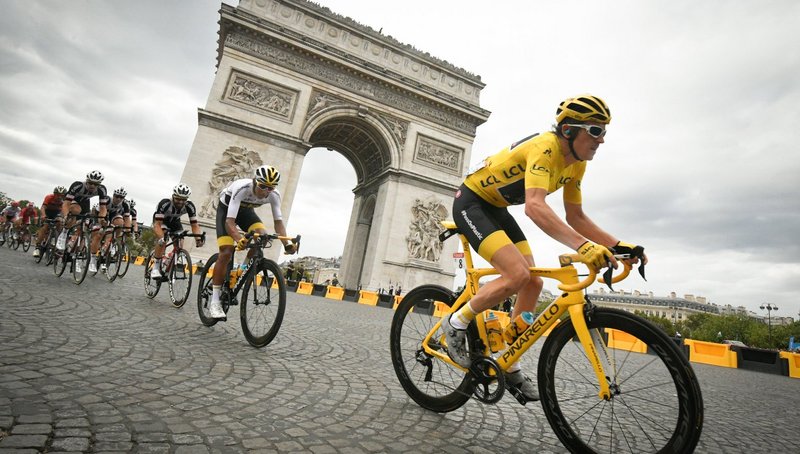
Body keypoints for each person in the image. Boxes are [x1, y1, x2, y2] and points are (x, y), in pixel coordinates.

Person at [443, 94, 647, 401]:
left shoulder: (576, 165)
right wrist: (584, 247)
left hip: (496, 209)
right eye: (594, 130)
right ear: (568, 130)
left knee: (533, 282)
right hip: (472, 203)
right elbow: (535, 207)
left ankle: (508, 362)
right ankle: (455, 323)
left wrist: (618, 246)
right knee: (516, 274)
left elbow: (576, 217)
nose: (601, 139)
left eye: (604, 131)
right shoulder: (546, 147)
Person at [207, 165, 297, 319]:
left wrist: (287, 244)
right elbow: (230, 222)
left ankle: (241, 270)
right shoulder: (242, 188)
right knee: (227, 251)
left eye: (270, 188)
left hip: (247, 212)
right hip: (227, 211)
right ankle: (215, 301)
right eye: (262, 186)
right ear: (255, 181)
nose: (266, 192)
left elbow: (278, 223)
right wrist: (239, 239)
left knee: (262, 237)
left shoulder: (273, 194)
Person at [150, 184, 205, 279]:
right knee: (163, 240)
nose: (180, 202)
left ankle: (169, 260)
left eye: (183, 200)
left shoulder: (190, 205)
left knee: (180, 244)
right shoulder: (165, 203)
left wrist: (198, 238)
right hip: (161, 221)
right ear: (173, 196)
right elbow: (157, 224)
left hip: (175, 222)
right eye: (178, 199)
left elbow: (194, 224)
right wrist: (161, 238)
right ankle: (156, 267)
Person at [61, 170, 109, 273]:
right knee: (76, 211)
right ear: (86, 181)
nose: (92, 185)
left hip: (85, 203)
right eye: (90, 183)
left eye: (95, 184)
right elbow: (66, 204)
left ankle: (76, 253)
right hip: (73, 201)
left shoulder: (102, 189)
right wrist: (65, 216)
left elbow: (103, 208)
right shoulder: (78, 185)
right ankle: (64, 234)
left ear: (99, 184)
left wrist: (101, 218)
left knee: (83, 228)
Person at [34, 186, 68, 257]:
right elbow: (43, 207)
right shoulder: (49, 197)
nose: (59, 197)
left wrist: (63, 217)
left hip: (56, 213)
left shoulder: (64, 200)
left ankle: (54, 238)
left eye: (61, 195)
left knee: (59, 223)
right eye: (57, 195)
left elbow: (63, 210)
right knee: (45, 227)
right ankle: (37, 247)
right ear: (54, 194)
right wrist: (43, 215)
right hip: (47, 213)